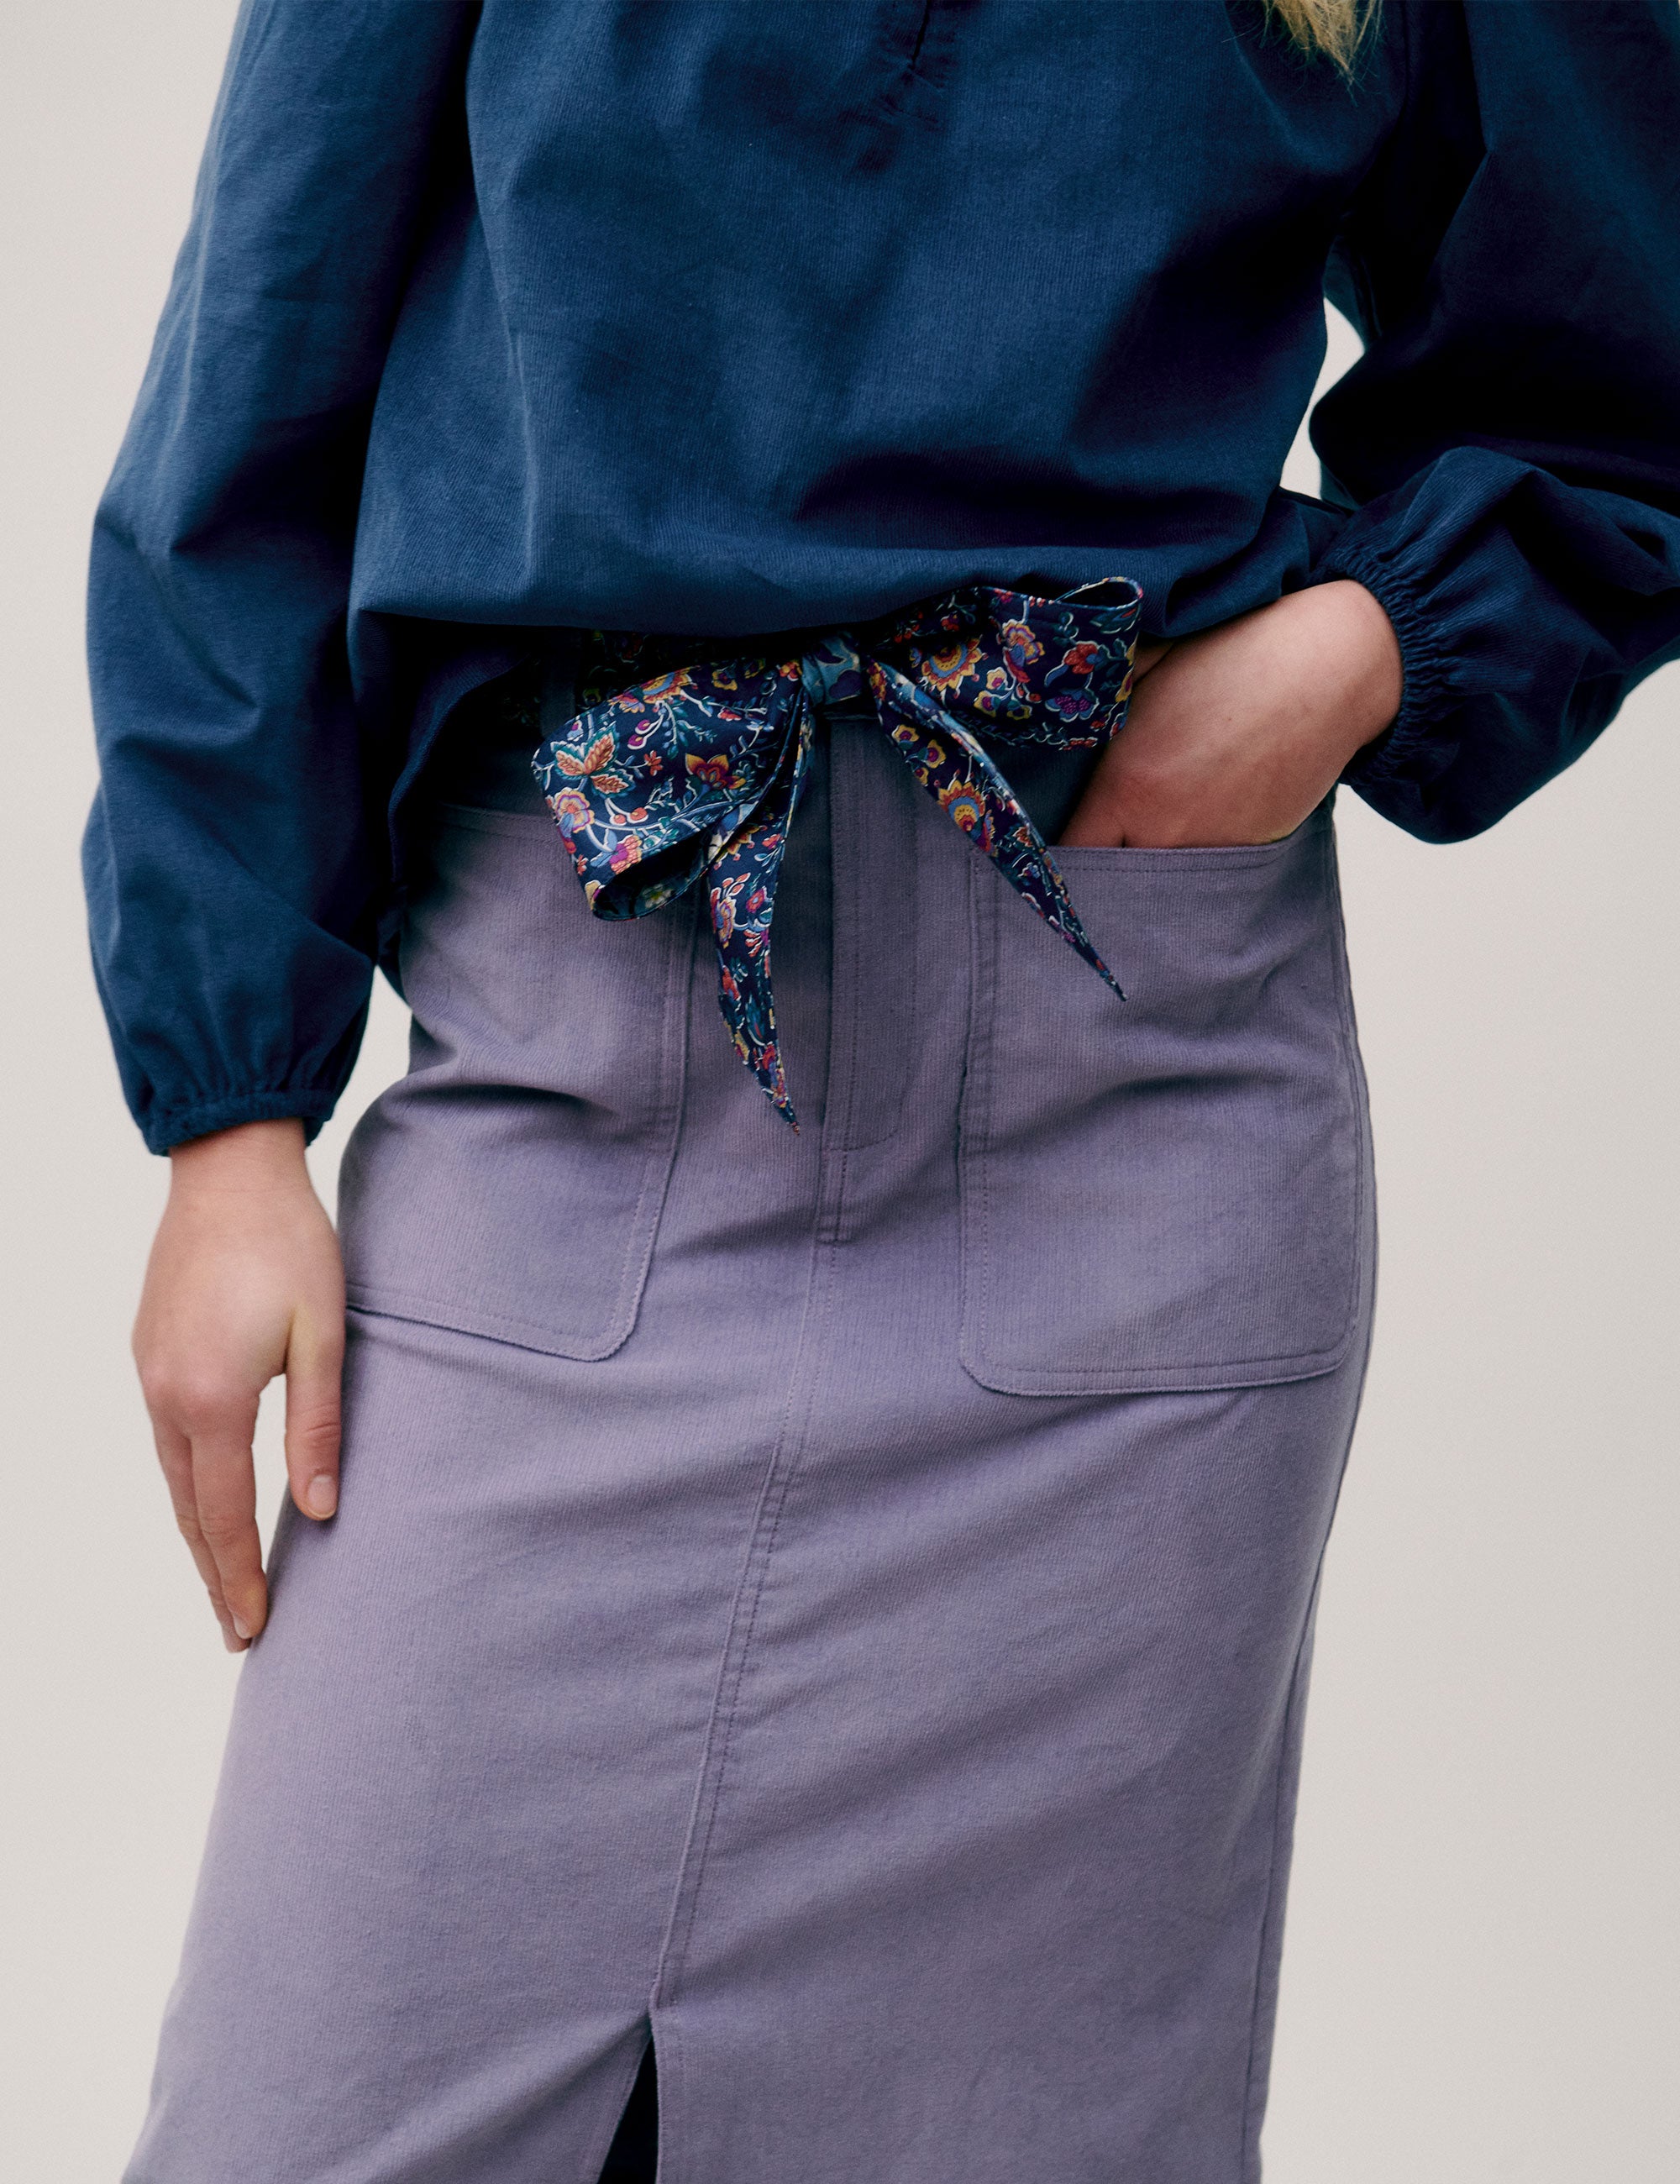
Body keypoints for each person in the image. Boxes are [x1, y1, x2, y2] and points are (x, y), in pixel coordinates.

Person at [86, 3, 1680, 2178]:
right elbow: (256, 372)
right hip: (570, 1059)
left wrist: (1354, 650)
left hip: (1122, 1107)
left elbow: (1635, 338)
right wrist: (228, 1116)